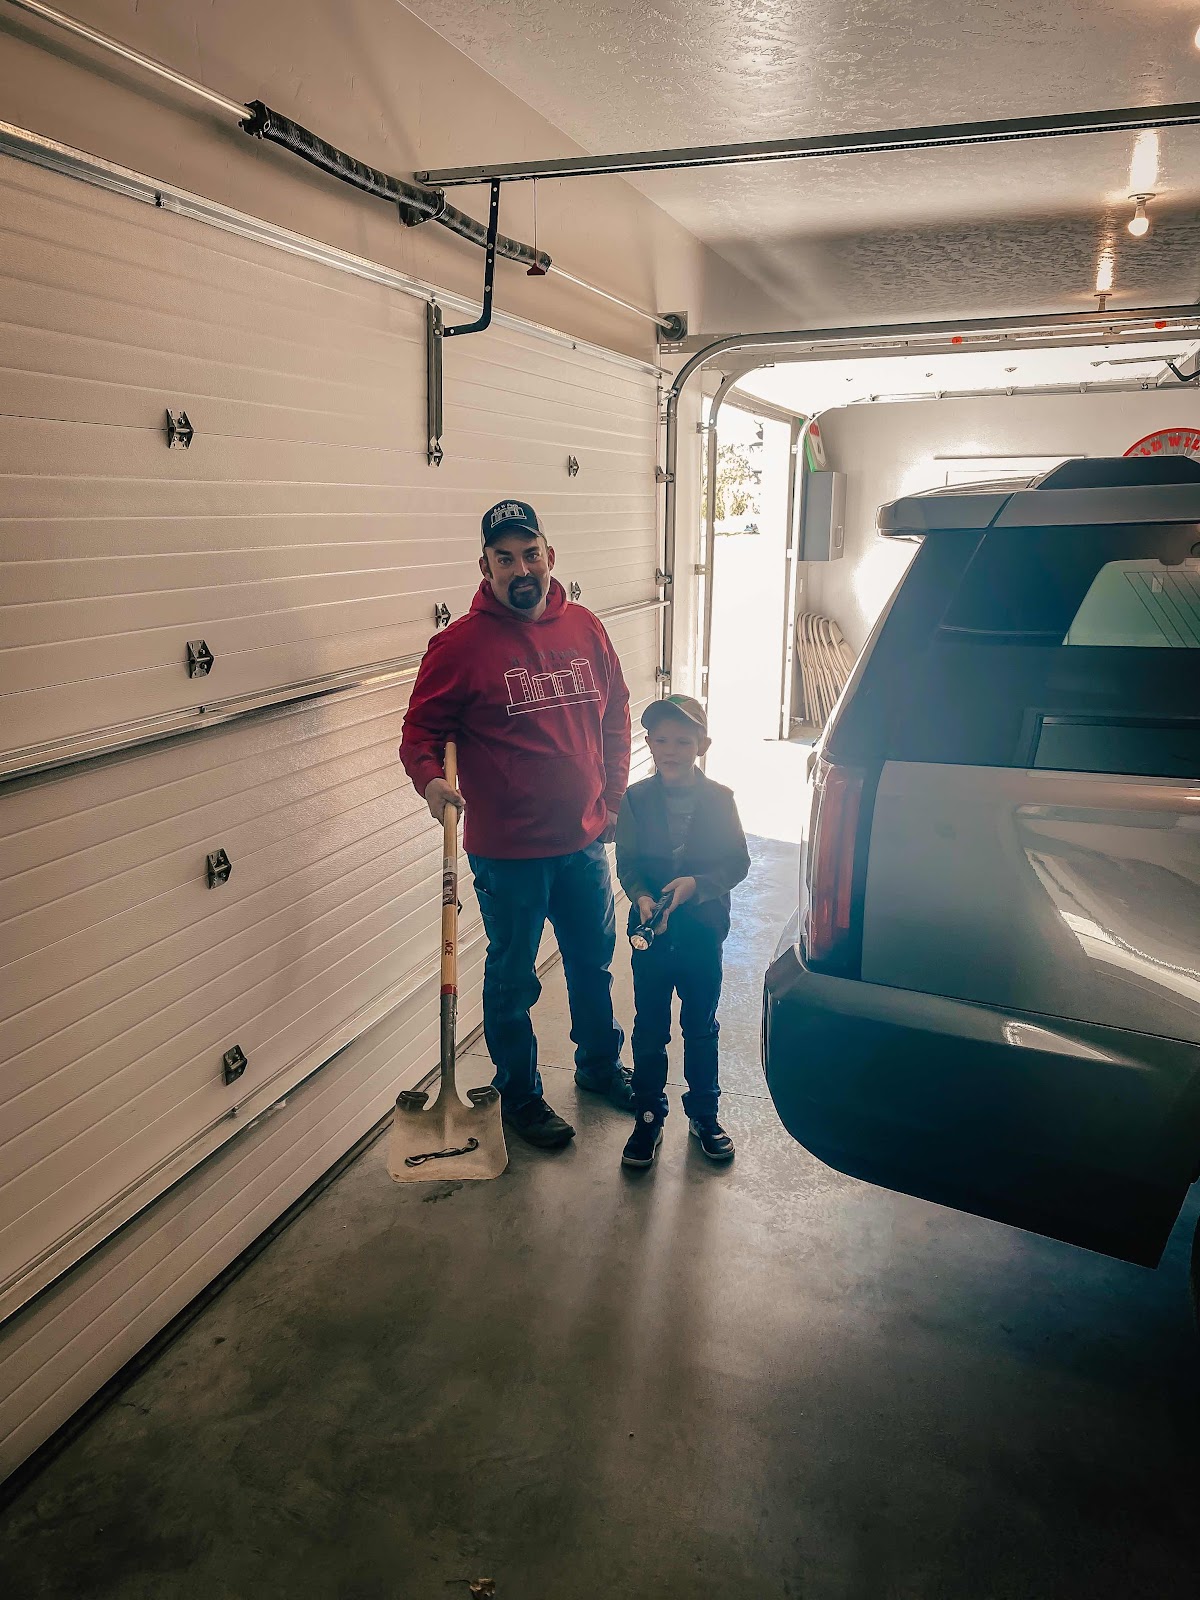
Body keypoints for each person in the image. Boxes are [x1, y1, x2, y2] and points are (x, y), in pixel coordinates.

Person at [399, 498, 632, 1150]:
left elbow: (616, 713)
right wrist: (431, 782)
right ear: (486, 567)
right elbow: (420, 733)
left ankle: (598, 1067)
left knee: (592, 965)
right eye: (505, 559)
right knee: (513, 980)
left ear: (549, 556)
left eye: (530, 554)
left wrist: (614, 799)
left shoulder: (586, 628)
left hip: (584, 841)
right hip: (508, 855)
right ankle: (520, 1097)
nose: (520, 569)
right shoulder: (458, 647)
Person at [614, 695, 750, 1168]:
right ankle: (648, 1116)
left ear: (702, 746)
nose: (671, 750)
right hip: (651, 935)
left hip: (701, 935)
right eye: (662, 740)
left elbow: (737, 863)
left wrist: (698, 886)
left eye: (683, 741)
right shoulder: (635, 799)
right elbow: (628, 863)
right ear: (649, 743)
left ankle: (705, 1115)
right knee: (649, 1028)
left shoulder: (720, 800)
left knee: (700, 1026)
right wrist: (640, 896)